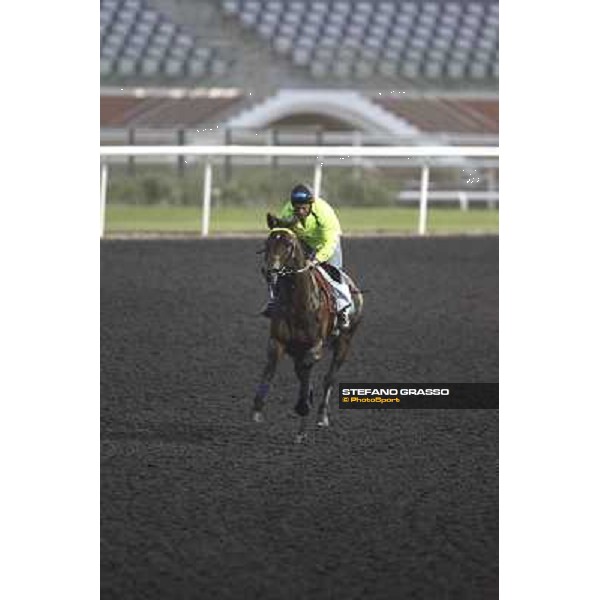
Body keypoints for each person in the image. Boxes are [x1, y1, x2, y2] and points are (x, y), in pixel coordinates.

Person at [262, 183, 353, 331]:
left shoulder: (324, 212)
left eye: (304, 207)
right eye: (297, 207)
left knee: (334, 273)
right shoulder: (288, 210)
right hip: (303, 242)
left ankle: (343, 310)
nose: (300, 211)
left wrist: (316, 260)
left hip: (327, 243)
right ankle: (274, 300)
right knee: (282, 269)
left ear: (311, 204)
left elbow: (330, 241)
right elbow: (285, 234)